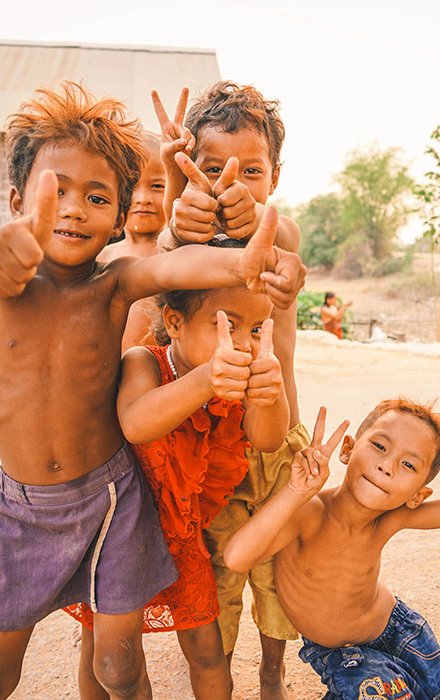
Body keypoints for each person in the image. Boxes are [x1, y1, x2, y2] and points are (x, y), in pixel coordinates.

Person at [0, 81, 305, 700]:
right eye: (54, 192)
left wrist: (255, 260)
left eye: (95, 197)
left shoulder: (114, 283)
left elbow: (175, 267)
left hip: (113, 498)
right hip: (23, 509)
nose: (71, 209)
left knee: (118, 665)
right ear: (17, 200)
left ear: (118, 219)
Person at [224, 398, 440, 699]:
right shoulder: (308, 513)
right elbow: (237, 557)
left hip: (400, 630)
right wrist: (295, 493)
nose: (387, 466)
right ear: (347, 449)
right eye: (379, 446)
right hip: (341, 653)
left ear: (417, 495)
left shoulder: (389, 518)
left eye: (408, 465)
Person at [153, 82, 307, 699]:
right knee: (217, 578)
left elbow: (287, 246)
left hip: (274, 444)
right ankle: (222, 675)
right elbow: (160, 259)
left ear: (275, 175)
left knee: (275, 573)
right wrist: (173, 210)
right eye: (212, 167)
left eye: (252, 169)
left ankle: (273, 669)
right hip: (211, 451)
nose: (230, 182)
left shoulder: (281, 233)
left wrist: (264, 228)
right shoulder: (185, 238)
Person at [67, 275, 288, 700]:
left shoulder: (239, 379)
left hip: (182, 538)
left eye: (256, 329)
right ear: (174, 321)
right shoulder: (145, 362)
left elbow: (267, 439)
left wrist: (268, 395)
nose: (242, 343)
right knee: (111, 656)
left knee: (207, 649)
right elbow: (136, 423)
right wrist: (207, 379)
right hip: (120, 535)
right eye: (226, 324)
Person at [98, 131, 166, 352]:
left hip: (156, 380)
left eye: (157, 186)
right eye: (132, 187)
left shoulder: (175, 254)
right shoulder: (101, 256)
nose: (143, 197)